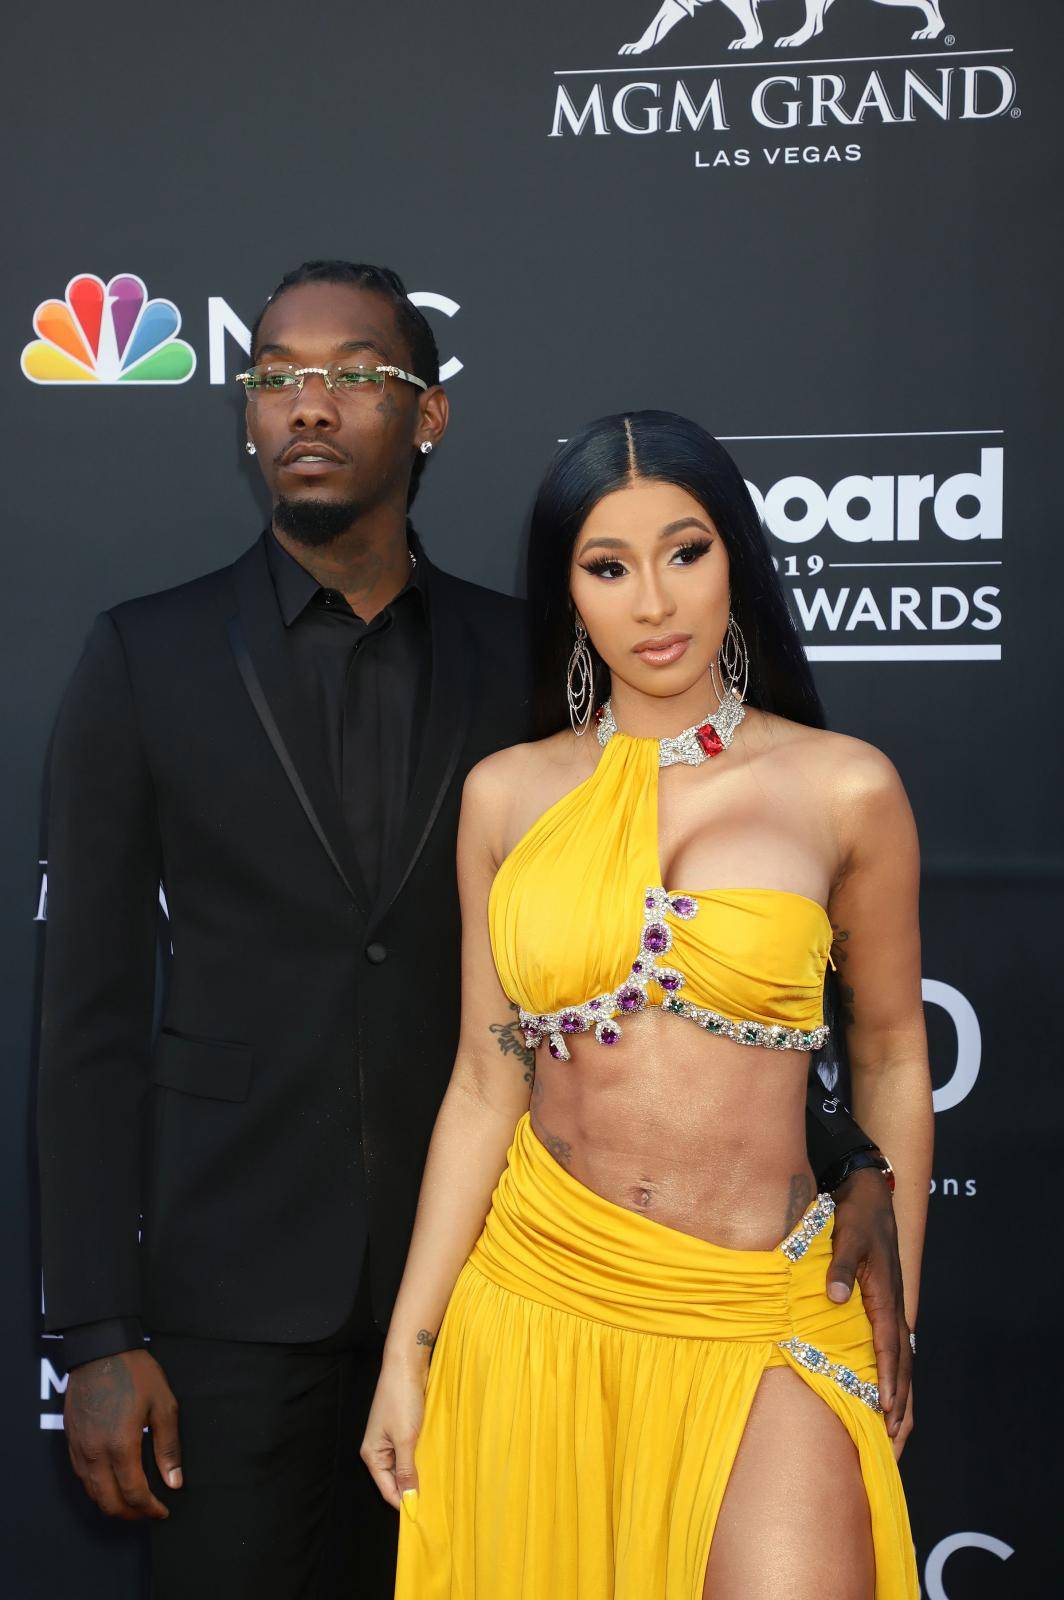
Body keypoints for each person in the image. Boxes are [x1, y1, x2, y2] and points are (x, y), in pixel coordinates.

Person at [37, 256, 907, 1600]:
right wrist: (93, 1325)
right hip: (233, 1301)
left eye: (351, 376)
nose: (306, 406)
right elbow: (83, 1019)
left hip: (504, 1278)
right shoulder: (141, 658)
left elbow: (665, 962)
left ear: (429, 416)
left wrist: (843, 1149)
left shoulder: (547, 665)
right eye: (276, 377)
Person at [365, 412, 932, 1600]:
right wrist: (410, 1348)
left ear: (734, 556)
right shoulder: (506, 796)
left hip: (763, 1302)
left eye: (684, 551)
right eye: (606, 566)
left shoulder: (841, 786)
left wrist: (898, 1311)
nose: (654, 602)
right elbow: (484, 1079)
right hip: (537, 1293)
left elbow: (886, 1053)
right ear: (566, 591)